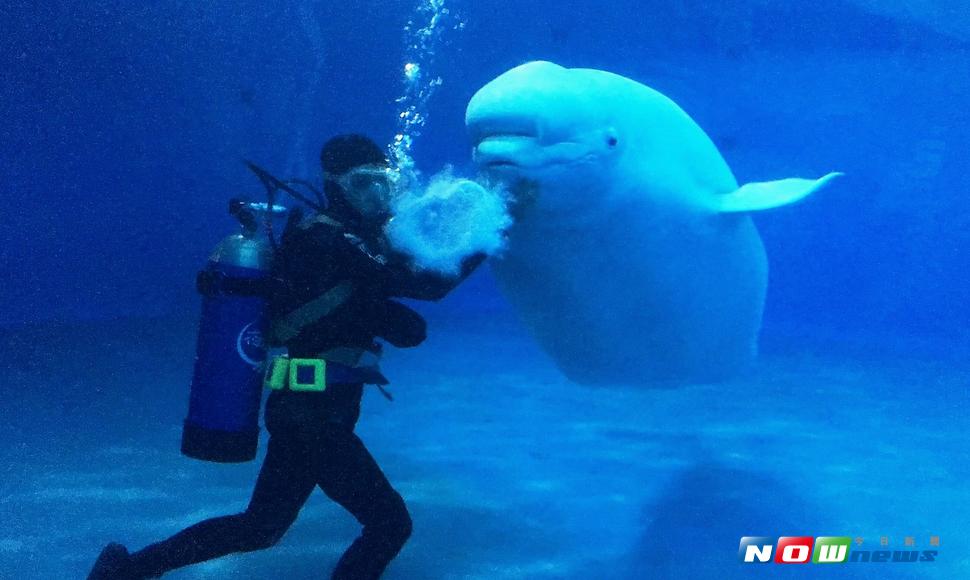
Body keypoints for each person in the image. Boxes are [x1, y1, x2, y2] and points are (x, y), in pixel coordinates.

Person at [89, 134, 484, 579]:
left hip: (306, 410)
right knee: (389, 524)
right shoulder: (327, 241)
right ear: (334, 185)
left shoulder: (351, 243)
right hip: (313, 417)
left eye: (383, 182)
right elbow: (429, 286)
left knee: (260, 527)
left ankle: (126, 571)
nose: (375, 194)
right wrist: (494, 226)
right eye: (361, 183)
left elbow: (377, 306)